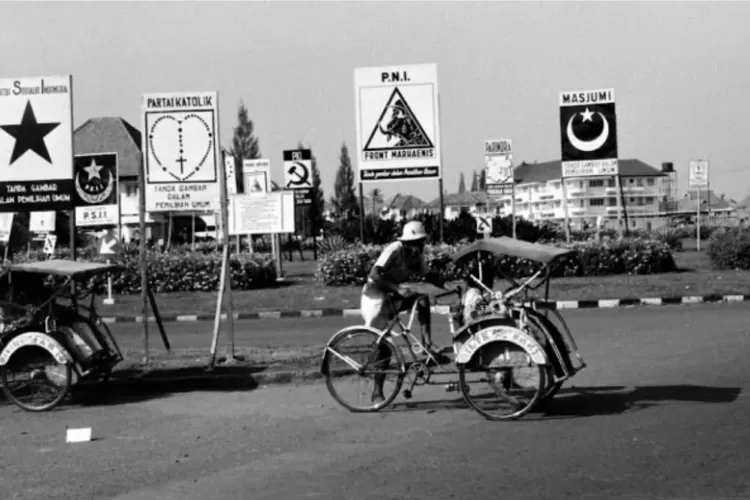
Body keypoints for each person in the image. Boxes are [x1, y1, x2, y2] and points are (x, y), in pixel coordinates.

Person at [360, 220, 448, 403]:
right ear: (408, 242)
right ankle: (377, 392)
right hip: (375, 299)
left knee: (422, 299)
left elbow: (429, 275)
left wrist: (448, 285)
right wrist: (397, 288)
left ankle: (427, 343)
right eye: (418, 243)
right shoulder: (394, 249)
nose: (421, 247)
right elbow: (374, 276)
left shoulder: (416, 257)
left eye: (422, 242)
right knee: (384, 347)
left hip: (392, 297)